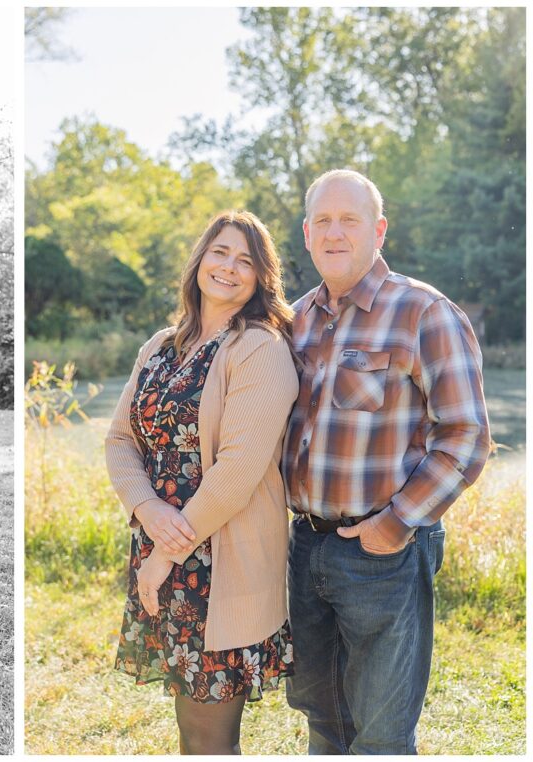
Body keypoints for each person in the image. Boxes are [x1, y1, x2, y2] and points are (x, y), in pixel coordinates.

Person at [283, 169, 492, 754]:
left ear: (378, 229)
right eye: (322, 220)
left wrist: (397, 524)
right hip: (305, 549)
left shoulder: (423, 313)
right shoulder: (294, 320)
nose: (335, 232)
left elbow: (466, 436)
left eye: (349, 219)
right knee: (322, 721)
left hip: (383, 552)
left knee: (380, 733)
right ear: (305, 234)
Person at [105, 211, 299, 754]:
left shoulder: (260, 348)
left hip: (219, 564)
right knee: (187, 724)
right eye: (221, 253)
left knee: (208, 735)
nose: (230, 268)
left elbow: (238, 469)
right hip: (161, 544)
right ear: (199, 261)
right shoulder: (162, 345)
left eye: (246, 261)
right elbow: (121, 442)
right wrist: (149, 513)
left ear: (262, 277)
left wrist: (170, 549)